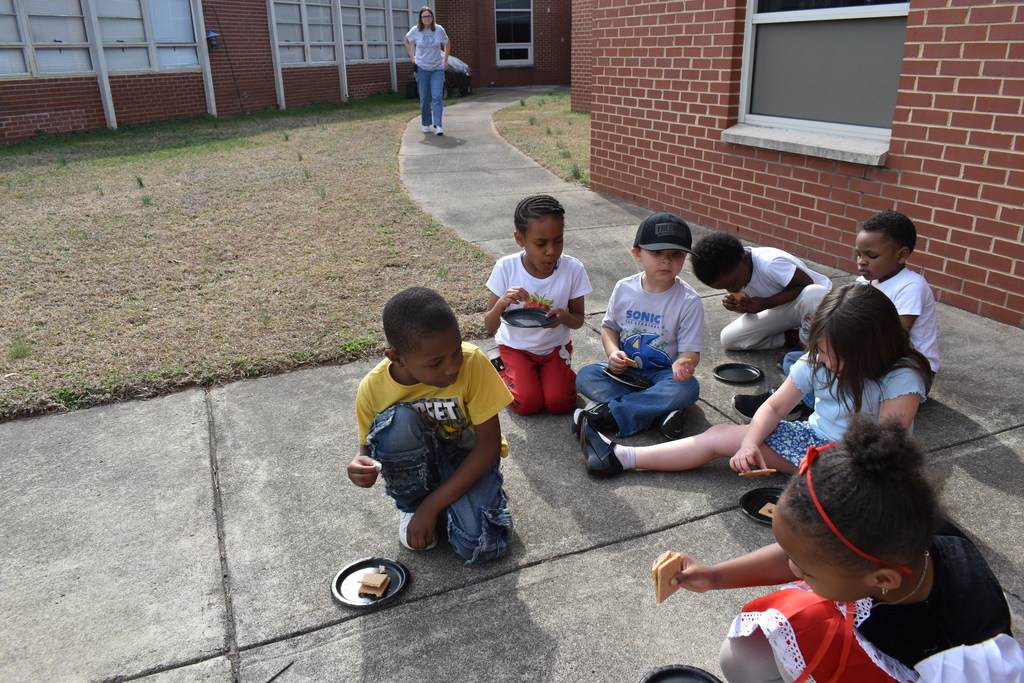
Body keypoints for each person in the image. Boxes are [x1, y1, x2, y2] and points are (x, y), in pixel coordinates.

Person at [665, 417, 1018, 683]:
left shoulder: (964, 653)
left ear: (881, 579)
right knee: (742, 655)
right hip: (869, 611)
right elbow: (804, 556)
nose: (793, 569)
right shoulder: (893, 539)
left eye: (807, 570)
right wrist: (714, 576)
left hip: (909, 664)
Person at [577, 283, 931, 477]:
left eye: (839, 356)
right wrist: (749, 443)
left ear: (875, 346)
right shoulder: (818, 360)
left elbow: (887, 447)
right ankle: (621, 456)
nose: (827, 362)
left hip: (863, 464)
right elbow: (775, 406)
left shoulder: (901, 375)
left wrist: (829, 474)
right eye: (822, 351)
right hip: (813, 441)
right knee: (718, 436)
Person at [346, 287, 513, 564]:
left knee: (482, 547)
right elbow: (366, 445)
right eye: (435, 363)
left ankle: (446, 503)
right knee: (397, 423)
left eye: (456, 351)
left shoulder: (473, 363)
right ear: (396, 357)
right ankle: (412, 505)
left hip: (468, 458)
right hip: (416, 467)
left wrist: (431, 508)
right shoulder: (373, 387)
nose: (451, 368)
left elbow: (488, 446)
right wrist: (359, 463)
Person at [573, 211, 704, 449]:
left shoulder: (689, 300)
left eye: (676, 254)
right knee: (586, 376)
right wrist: (612, 353)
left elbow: (691, 352)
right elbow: (609, 328)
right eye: (657, 253)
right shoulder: (624, 288)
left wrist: (684, 363)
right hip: (626, 375)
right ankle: (659, 411)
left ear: (685, 257)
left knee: (688, 387)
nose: (666, 260)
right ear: (637, 254)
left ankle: (613, 414)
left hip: (665, 375)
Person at [484, 194, 592, 415]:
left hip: (554, 348)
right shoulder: (506, 268)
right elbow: (489, 325)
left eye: (558, 240)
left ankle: (551, 376)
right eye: (541, 243)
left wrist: (564, 317)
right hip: (515, 348)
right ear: (520, 239)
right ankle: (501, 368)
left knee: (560, 404)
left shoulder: (573, 269)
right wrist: (501, 304)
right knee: (527, 405)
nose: (551, 250)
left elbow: (578, 319)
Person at [691, 231, 831, 351]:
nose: (731, 289)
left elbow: (806, 284)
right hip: (782, 309)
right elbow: (760, 304)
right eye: (724, 288)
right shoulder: (737, 272)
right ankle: (792, 338)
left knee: (814, 293)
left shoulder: (770, 263)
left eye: (733, 284)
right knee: (729, 339)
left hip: (814, 308)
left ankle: (812, 347)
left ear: (745, 260)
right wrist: (740, 307)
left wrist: (766, 303)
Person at [855, 209, 940, 375]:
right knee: (802, 360)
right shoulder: (861, 283)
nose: (862, 262)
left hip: (909, 368)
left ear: (901, 255)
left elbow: (896, 338)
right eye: (858, 254)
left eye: (871, 256)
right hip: (869, 357)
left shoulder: (911, 286)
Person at [404, 6, 450, 136]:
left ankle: (438, 125)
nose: (427, 18)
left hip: (437, 69)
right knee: (424, 98)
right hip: (422, 68)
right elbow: (407, 40)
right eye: (424, 16)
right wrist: (412, 57)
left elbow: (447, 43)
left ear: (432, 17)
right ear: (420, 18)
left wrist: (445, 61)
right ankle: (426, 123)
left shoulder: (439, 30)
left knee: (437, 97)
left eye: (429, 16)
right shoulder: (416, 30)